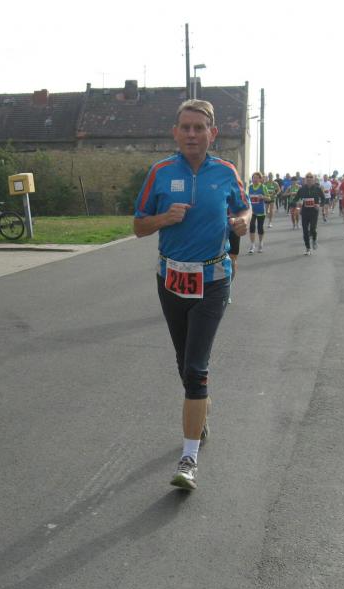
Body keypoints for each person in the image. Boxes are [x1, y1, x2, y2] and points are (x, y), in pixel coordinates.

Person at [133, 99, 250, 490]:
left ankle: (188, 459)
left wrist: (241, 222)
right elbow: (138, 226)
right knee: (185, 365)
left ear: (212, 133)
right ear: (175, 132)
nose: (192, 134)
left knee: (197, 368)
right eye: (185, 127)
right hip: (171, 280)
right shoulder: (160, 172)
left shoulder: (226, 172)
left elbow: (245, 209)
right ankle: (200, 414)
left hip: (213, 280)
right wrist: (164, 218)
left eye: (199, 128)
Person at [295, 173, 324, 254]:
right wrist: (298, 204)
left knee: (313, 228)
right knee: (305, 231)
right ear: (305, 179)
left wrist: (319, 205)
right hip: (304, 212)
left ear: (313, 179)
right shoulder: (302, 189)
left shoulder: (317, 189)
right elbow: (295, 199)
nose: (309, 178)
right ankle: (308, 248)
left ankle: (314, 239)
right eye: (307, 177)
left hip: (314, 211)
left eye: (311, 177)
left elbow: (323, 199)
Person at [247, 172, 267, 253]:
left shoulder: (263, 187)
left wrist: (263, 197)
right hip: (252, 211)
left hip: (261, 211)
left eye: (256, 178)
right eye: (253, 178)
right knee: (252, 226)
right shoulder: (250, 187)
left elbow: (269, 198)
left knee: (260, 227)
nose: (255, 179)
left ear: (260, 179)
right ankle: (252, 245)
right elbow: (247, 198)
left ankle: (261, 243)